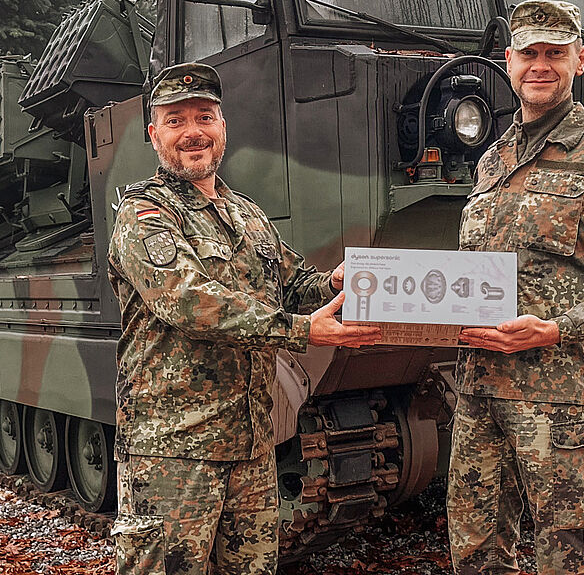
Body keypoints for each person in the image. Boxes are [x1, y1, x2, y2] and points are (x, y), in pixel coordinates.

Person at [107, 62, 380, 575]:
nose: (193, 132)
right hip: (175, 446)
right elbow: (187, 301)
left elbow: (293, 282)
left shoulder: (246, 214)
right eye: (175, 120)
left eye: (204, 117)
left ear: (223, 128)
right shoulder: (144, 214)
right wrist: (301, 330)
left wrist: (338, 284)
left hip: (251, 442)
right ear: (153, 134)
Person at [448, 0, 584, 574]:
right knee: (474, 552)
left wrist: (555, 328)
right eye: (529, 54)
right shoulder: (493, 159)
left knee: (567, 556)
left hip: (558, 398)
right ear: (508, 61)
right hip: (477, 391)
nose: (540, 66)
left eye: (555, 54)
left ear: (581, 61)